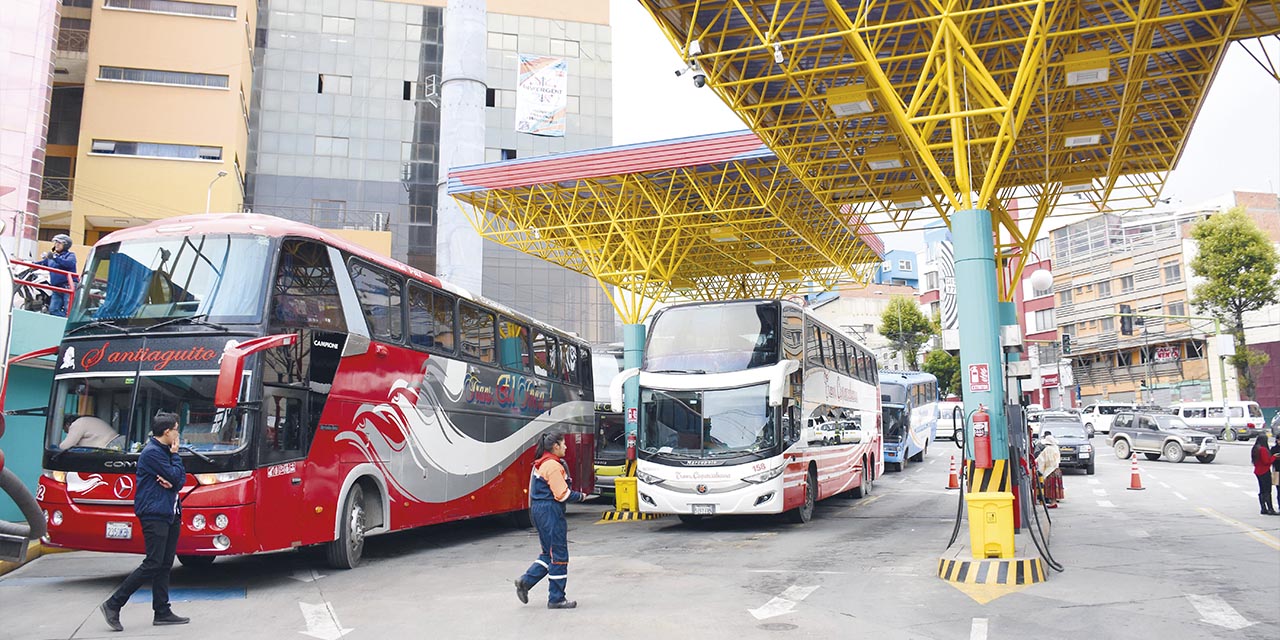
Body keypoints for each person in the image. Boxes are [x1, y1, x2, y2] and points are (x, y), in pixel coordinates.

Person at [100, 414, 191, 631]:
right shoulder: (153, 454)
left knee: (165, 564)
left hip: (170, 513)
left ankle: (162, 611)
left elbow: (177, 481)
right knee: (153, 563)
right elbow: (178, 478)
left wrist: (173, 479)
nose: (178, 434)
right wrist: (176, 458)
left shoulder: (163, 452)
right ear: (167, 432)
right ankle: (113, 604)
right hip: (154, 513)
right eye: (176, 429)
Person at [514, 431, 587, 610]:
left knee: (548, 553)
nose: (566, 447)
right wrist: (581, 497)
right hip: (550, 512)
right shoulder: (552, 465)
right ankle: (556, 598)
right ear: (555, 446)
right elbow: (562, 494)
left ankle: (526, 581)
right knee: (559, 556)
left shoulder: (541, 463)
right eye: (563, 444)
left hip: (540, 511)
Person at [36, 234, 77, 317]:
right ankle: (62, 324)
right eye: (55, 242)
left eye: (59, 243)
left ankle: (67, 325)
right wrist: (28, 264)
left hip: (67, 286)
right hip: (56, 288)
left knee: (68, 310)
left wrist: (54, 257)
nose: (56, 245)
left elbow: (69, 263)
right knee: (53, 310)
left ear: (66, 245)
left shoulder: (70, 255)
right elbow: (41, 264)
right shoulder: (51, 258)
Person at [1250, 433, 1277, 516]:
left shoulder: (1255, 449)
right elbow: (1267, 461)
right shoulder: (1263, 449)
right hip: (1264, 471)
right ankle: (1270, 509)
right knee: (1267, 490)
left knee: (1261, 489)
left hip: (1258, 471)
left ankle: (1263, 508)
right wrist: (1274, 457)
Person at [1037, 432, 1062, 508]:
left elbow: (1041, 459)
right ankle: (1054, 501)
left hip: (1050, 471)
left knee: (1050, 487)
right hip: (1057, 470)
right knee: (1055, 487)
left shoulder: (1047, 449)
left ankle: (1053, 502)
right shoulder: (1056, 448)